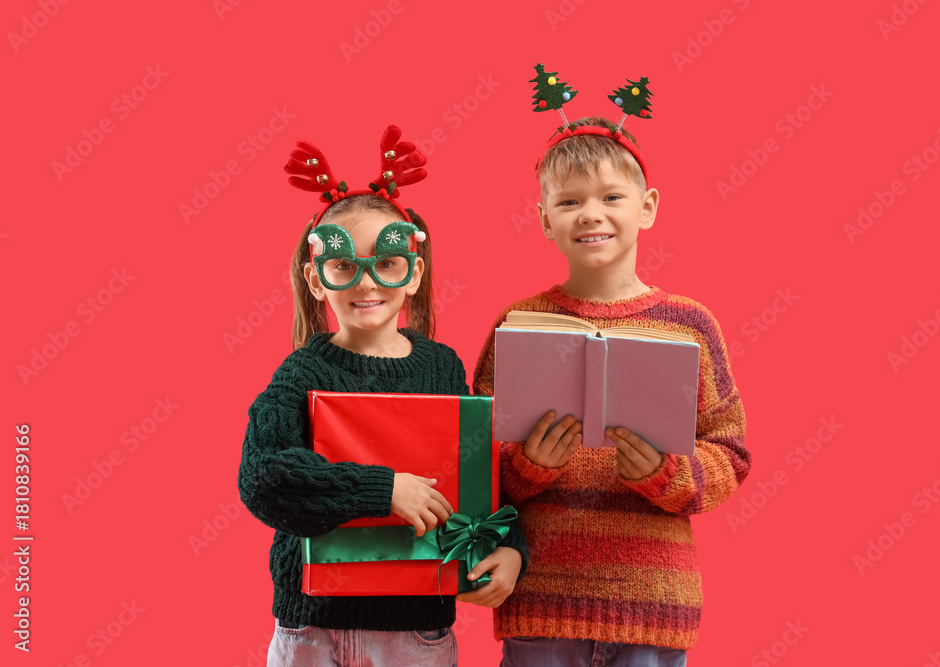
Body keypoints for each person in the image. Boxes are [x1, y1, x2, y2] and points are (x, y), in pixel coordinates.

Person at [238, 128, 528, 667]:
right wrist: (383, 489)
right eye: (345, 266)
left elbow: (477, 474)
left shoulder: (442, 367)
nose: (367, 282)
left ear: (413, 273)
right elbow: (263, 477)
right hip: (313, 630)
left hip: (415, 630)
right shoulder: (301, 373)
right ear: (317, 279)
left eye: (387, 262)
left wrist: (510, 548)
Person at [473, 116, 751, 666]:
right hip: (543, 601)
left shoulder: (690, 325)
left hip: (654, 606)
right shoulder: (519, 323)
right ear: (545, 219)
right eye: (569, 201)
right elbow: (473, 460)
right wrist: (527, 466)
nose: (590, 214)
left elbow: (731, 453)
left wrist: (666, 474)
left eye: (611, 197)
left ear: (647, 207)